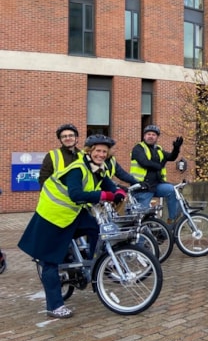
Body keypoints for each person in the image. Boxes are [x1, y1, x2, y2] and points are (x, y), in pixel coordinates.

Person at [17, 135, 126, 318]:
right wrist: (106, 196)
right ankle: (55, 306)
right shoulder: (77, 168)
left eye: (104, 152)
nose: (101, 154)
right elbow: (76, 194)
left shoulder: (99, 168)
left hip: (73, 214)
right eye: (97, 151)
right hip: (53, 215)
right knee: (50, 261)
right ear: (89, 151)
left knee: (97, 230)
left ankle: (94, 265)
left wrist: (120, 192)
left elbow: (109, 184)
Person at [130, 125, 183, 224]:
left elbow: (171, 157)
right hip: (143, 188)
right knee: (142, 217)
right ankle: (141, 238)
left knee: (172, 190)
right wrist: (160, 166)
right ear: (144, 136)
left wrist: (176, 148)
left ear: (157, 137)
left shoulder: (158, 149)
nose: (151, 136)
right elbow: (144, 162)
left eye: (153, 135)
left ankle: (171, 221)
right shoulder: (138, 148)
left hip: (156, 185)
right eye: (148, 134)